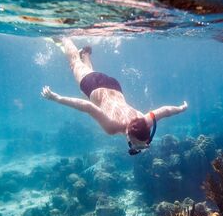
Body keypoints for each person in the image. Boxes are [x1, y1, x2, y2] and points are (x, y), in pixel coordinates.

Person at [41, 38, 188, 155]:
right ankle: (64, 36)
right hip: (92, 86)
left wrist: (181, 108)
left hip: (114, 86)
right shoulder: (112, 127)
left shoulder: (145, 120)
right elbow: (88, 107)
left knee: (88, 71)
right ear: (129, 136)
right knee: (74, 63)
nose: (140, 148)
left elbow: (165, 111)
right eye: (142, 146)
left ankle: (85, 54)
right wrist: (57, 98)